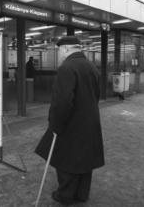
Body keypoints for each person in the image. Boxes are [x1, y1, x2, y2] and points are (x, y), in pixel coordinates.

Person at [34, 36, 105, 206]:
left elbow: (62, 102)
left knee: (66, 159)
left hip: (71, 123)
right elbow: (96, 94)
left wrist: (56, 125)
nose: (60, 54)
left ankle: (65, 195)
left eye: (59, 50)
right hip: (90, 121)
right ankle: (82, 194)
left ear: (65, 48)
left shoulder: (67, 67)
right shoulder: (91, 66)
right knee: (85, 158)